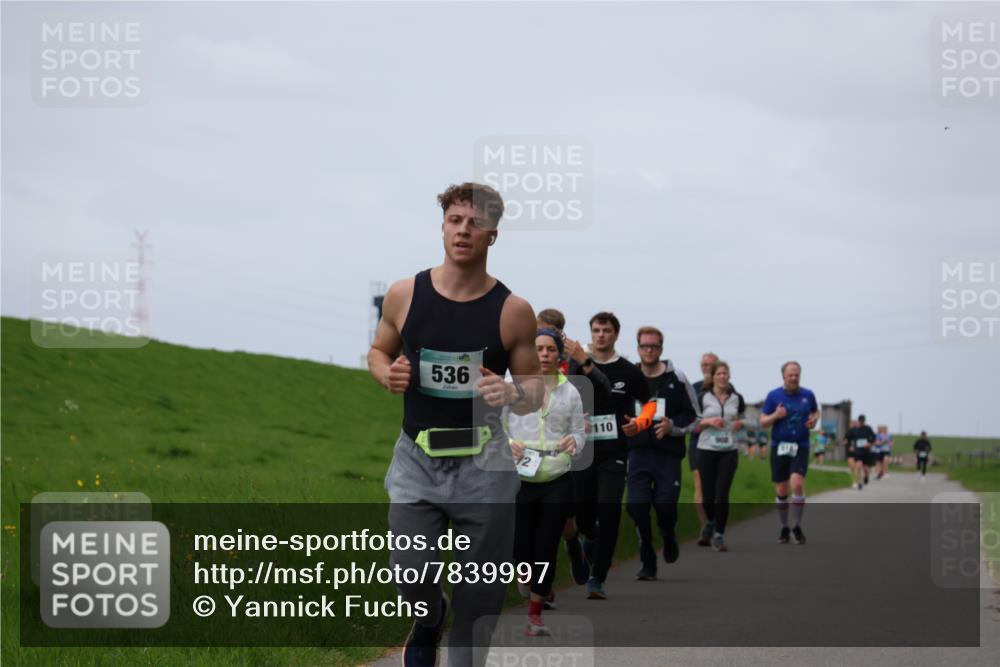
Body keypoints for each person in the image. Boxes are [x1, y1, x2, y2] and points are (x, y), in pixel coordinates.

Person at [367, 182, 544, 667]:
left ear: (493, 235)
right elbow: (379, 351)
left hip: (484, 464)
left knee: (480, 599)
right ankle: (427, 619)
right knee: (410, 573)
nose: (464, 230)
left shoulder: (513, 312)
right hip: (416, 458)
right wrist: (389, 373)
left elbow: (535, 392)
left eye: (476, 223)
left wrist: (511, 392)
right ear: (443, 226)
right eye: (455, 220)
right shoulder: (406, 295)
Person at [568, 311, 657, 599]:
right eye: (596, 330)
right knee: (583, 516)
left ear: (616, 334)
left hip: (614, 452)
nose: (601, 335)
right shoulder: (576, 365)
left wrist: (640, 423)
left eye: (606, 330)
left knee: (608, 511)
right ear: (591, 333)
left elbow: (651, 403)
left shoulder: (629, 371)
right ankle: (587, 539)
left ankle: (597, 577)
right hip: (582, 450)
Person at [506, 329, 586, 637]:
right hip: (520, 477)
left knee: (546, 546)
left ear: (559, 356)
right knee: (520, 548)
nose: (543, 354)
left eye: (549, 349)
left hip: (556, 475)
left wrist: (573, 442)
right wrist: (508, 442)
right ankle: (527, 576)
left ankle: (535, 615)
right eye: (537, 348)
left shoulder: (571, 392)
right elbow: (494, 429)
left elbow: (579, 432)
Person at [626, 326, 699, 579]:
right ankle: (648, 560)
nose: (649, 350)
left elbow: (694, 416)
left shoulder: (676, 378)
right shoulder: (630, 377)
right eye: (644, 346)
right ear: (638, 348)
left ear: (661, 349)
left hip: (667, 454)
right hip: (637, 454)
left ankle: (669, 535)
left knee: (665, 507)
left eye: (654, 346)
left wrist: (673, 427)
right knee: (636, 507)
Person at [759, 361, 820, 545]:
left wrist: (813, 420)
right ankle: (784, 527)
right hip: (779, 446)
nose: (794, 378)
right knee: (781, 489)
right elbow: (763, 422)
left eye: (796, 375)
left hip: (800, 445)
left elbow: (815, 412)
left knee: (797, 482)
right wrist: (776, 416)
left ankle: (796, 525)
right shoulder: (773, 396)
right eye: (790, 375)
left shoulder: (808, 395)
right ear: (783, 377)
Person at [696, 360, 746, 552]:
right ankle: (709, 521)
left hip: (729, 450)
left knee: (722, 494)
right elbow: (693, 422)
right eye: (719, 374)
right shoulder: (703, 397)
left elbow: (744, 418)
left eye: (725, 373)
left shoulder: (737, 398)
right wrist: (709, 421)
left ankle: (719, 535)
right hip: (706, 449)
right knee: (708, 496)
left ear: (729, 376)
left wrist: (740, 423)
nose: (722, 377)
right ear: (713, 376)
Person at [690, 352, 718, 545]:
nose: (706, 367)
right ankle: (705, 526)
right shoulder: (694, 389)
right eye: (704, 364)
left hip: (719, 445)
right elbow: (689, 417)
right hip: (698, 443)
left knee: (716, 489)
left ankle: (715, 524)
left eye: (710, 364)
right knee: (700, 486)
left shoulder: (726, 389)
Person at [846, 415, 876, 491]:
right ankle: (858, 482)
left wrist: (870, 443)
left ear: (864, 421)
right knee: (858, 466)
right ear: (858, 421)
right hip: (858, 451)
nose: (861, 422)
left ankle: (866, 476)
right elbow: (847, 438)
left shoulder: (868, 429)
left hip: (866, 451)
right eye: (860, 421)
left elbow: (874, 437)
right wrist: (849, 446)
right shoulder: (855, 430)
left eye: (862, 421)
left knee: (866, 468)